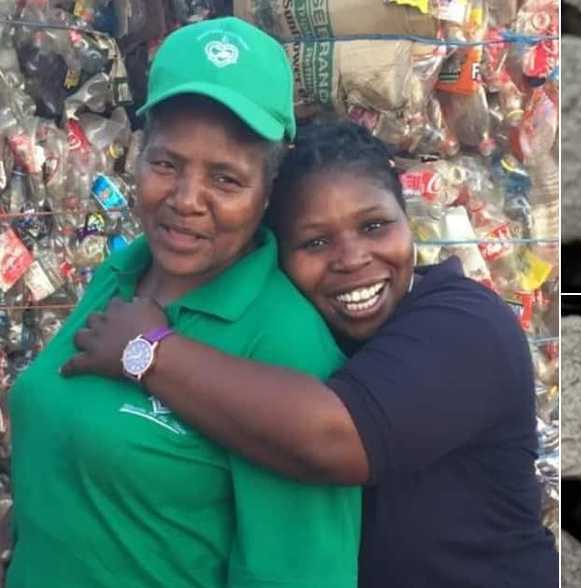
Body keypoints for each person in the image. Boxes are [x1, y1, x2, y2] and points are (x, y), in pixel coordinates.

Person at [60, 120, 559, 586]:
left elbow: (332, 438)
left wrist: (147, 351)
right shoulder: (293, 333)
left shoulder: (466, 328)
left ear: (408, 223)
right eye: (315, 241)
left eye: (374, 226)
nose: (352, 260)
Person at [6, 18, 360, 588]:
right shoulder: (126, 270)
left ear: (269, 190)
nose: (186, 201)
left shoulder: (282, 342)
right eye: (166, 164)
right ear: (138, 154)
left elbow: (300, 573)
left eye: (225, 180)